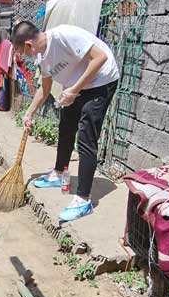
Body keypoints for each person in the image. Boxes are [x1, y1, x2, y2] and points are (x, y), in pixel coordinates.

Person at [11, 20, 119, 223]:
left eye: (21, 51)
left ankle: (83, 199)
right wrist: (29, 112)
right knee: (66, 128)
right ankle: (59, 173)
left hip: (101, 81)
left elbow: (100, 58)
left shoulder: (64, 36)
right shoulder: (42, 57)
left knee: (86, 138)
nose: (23, 55)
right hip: (75, 86)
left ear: (28, 44)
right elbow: (45, 87)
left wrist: (74, 90)